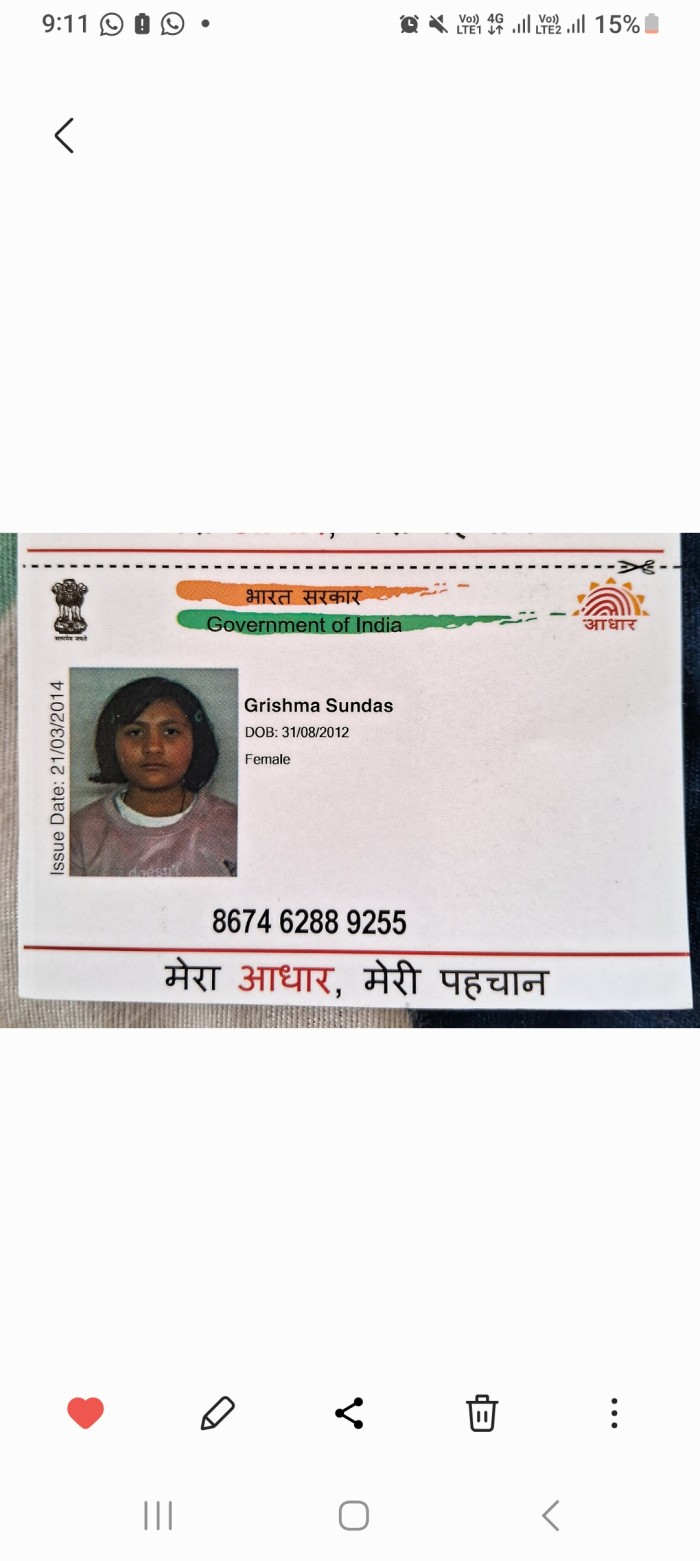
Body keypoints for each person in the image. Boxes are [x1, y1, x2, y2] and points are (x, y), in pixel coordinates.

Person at [70, 676, 238, 876]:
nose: (152, 747)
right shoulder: (79, 832)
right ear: (111, 742)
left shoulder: (234, 825)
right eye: (135, 733)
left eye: (170, 732)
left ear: (197, 741)